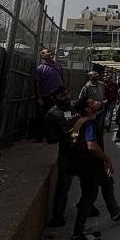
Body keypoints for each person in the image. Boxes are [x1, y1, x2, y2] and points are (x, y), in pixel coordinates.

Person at [69, 97, 120, 238]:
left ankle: (115, 211)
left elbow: (73, 139)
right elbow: (91, 146)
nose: (96, 102)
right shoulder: (90, 123)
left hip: (88, 164)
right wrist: (106, 159)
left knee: (107, 182)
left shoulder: (79, 122)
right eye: (91, 102)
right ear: (87, 109)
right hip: (91, 165)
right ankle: (78, 231)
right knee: (89, 196)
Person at [45, 88, 78, 227]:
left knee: (91, 181)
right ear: (55, 98)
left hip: (81, 150)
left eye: (66, 94)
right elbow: (50, 139)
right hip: (67, 154)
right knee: (63, 186)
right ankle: (57, 216)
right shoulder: (51, 115)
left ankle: (87, 207)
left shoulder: (71, 107)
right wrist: (65, 135)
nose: (66, 97)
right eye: (62, 95)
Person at [33, 48, 65, 141]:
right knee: (44, 116)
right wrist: (39, 97)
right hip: (46, 96)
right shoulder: (40, 69)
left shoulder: (58, 66)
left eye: (50, 52)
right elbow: (37, 84)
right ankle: (40, 136)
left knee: (60, 114)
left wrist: (64, 91)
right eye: (47, 52)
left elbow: (62, 79)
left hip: (58, 95)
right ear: (42, 56)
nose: (50, 53)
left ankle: (57, 134)